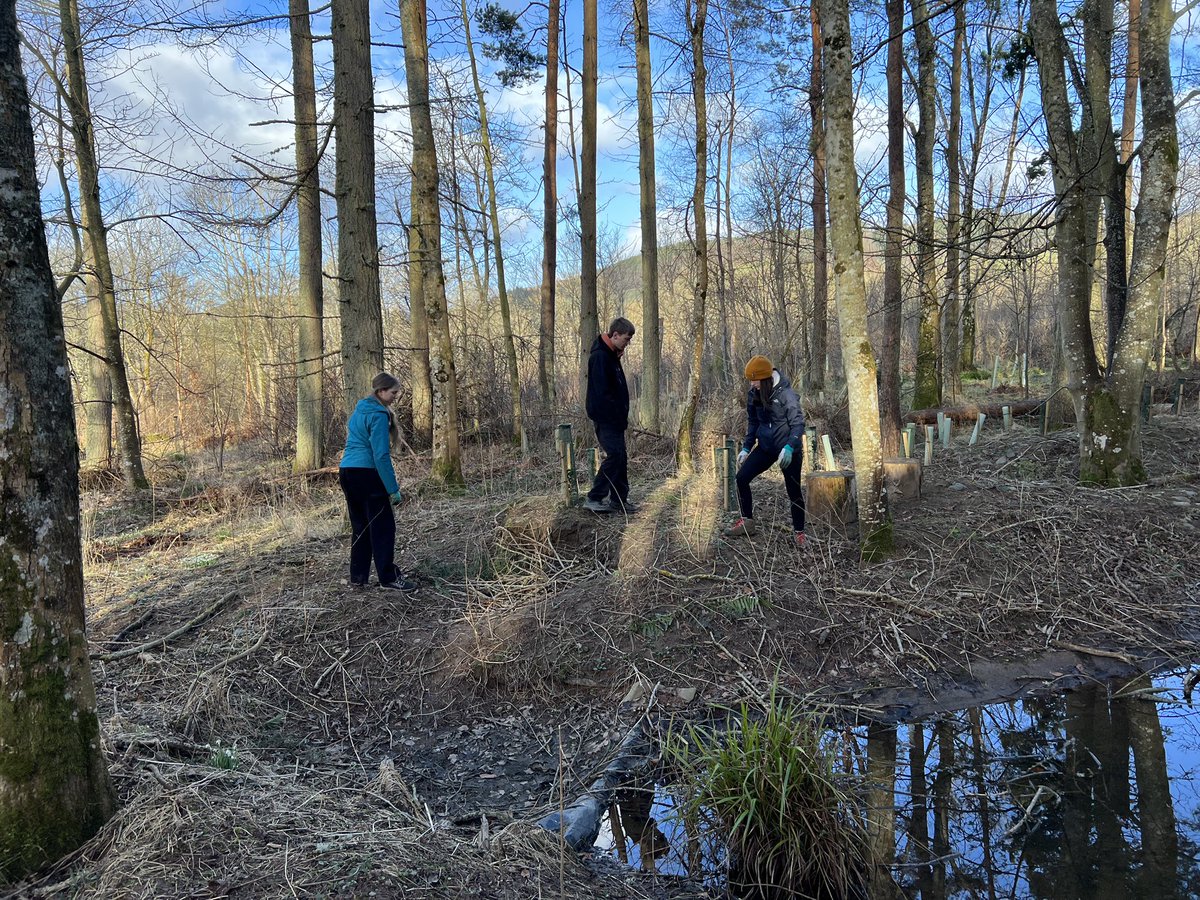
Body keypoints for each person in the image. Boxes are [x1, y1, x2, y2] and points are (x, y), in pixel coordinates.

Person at [339, 372, 418, 592]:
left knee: (360, 527)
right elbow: (380, 455)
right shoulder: (378, 415)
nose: (395, 396)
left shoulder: (359, 410)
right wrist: (393, 489)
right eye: (393, 392)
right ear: (381, 391)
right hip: (367, 474)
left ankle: (358, 577)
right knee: (383, 527)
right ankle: (388, 578)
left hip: (347, 471)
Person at [726, 355, 807, 548]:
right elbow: (753, 422)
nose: (751, 384)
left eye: (754, 380)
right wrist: (746, 447)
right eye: (750, 380)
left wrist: (789, 447)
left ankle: (799, 533)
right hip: (765, 447)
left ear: (765, 379)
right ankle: (747, 521)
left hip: (788, 450)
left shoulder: (786, 394)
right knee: (741, 478)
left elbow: (798, 424)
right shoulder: (754, 394)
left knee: (794, 491)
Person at [584, 317, 637, 514]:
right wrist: (614, 414)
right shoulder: (600, 357)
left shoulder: (611, 355)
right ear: (614, 335)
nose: (627, 343)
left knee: (620, 457)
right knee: (614, 455)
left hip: (615, 419)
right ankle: (594, 497)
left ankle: (619, 500)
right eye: (626, 339)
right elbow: (602, 393)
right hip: (606, 418)